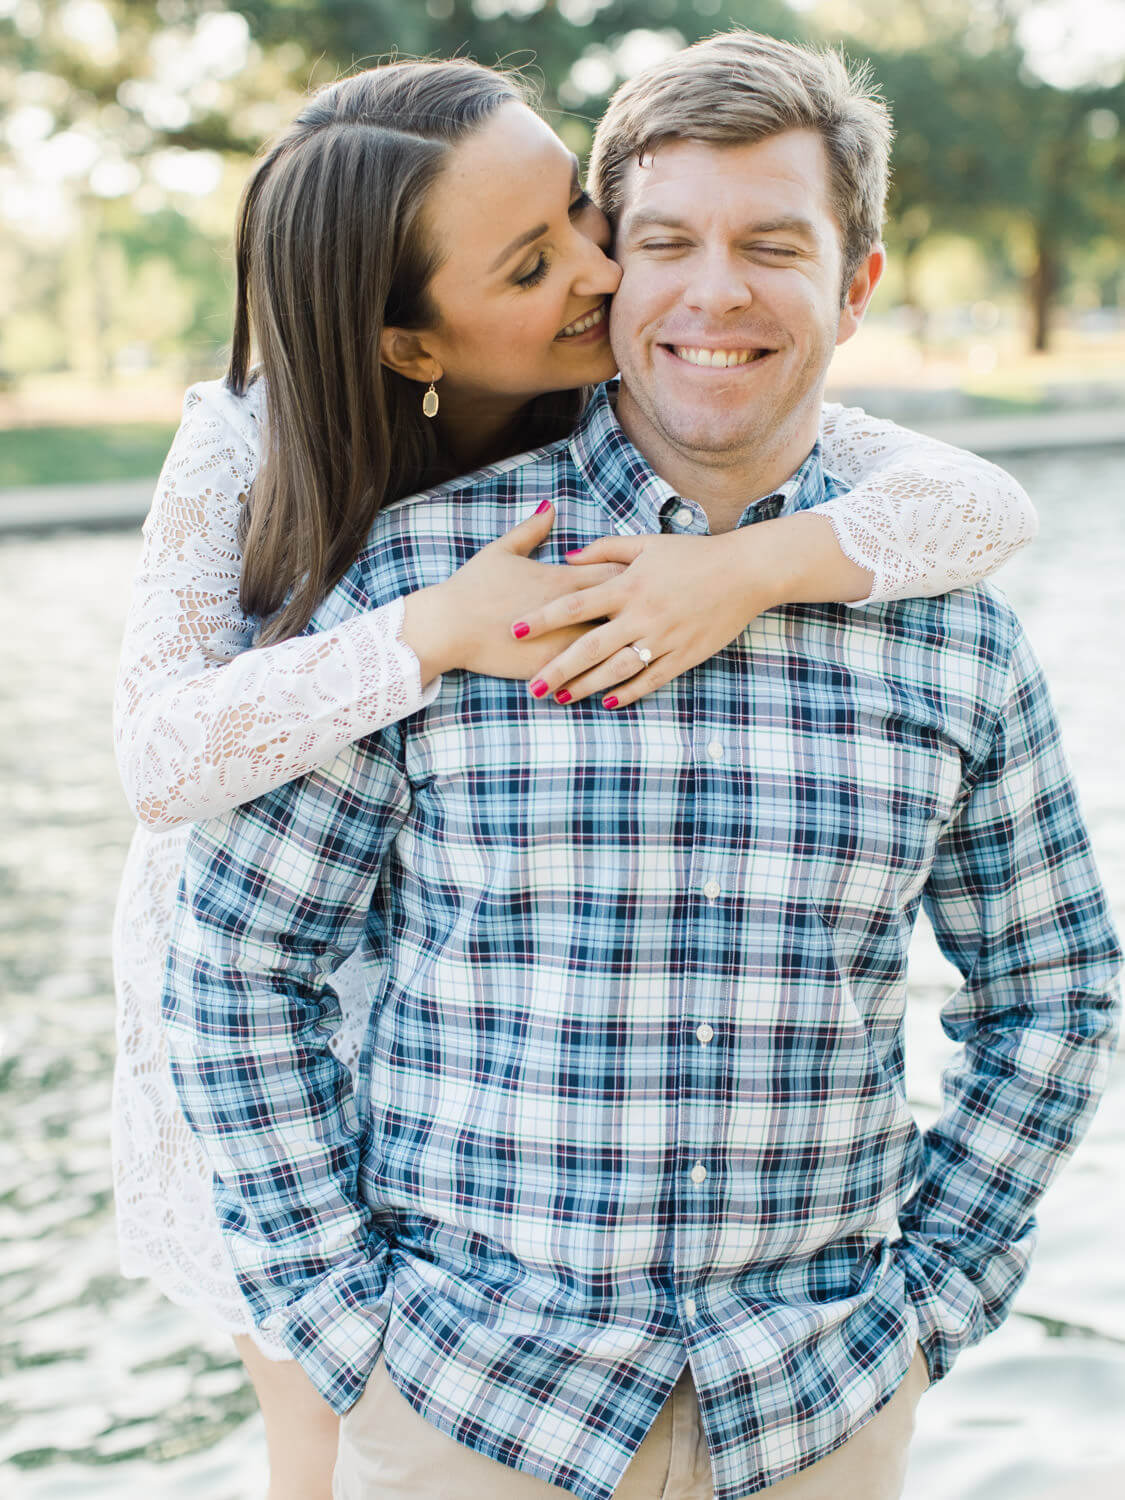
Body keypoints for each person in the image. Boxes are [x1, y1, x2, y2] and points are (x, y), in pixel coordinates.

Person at [117, 49, 1046, 1500]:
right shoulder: (295, 483)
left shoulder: (900, 573)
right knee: (298, 1432)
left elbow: (1050, 977)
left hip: (813, 1388)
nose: (622, 282)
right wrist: (350, 1326)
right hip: (443, 1338)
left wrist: (936, 1300)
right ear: (413, 343)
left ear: (855, 283)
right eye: (606, 248)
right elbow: (196, 858)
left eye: (580, 227)